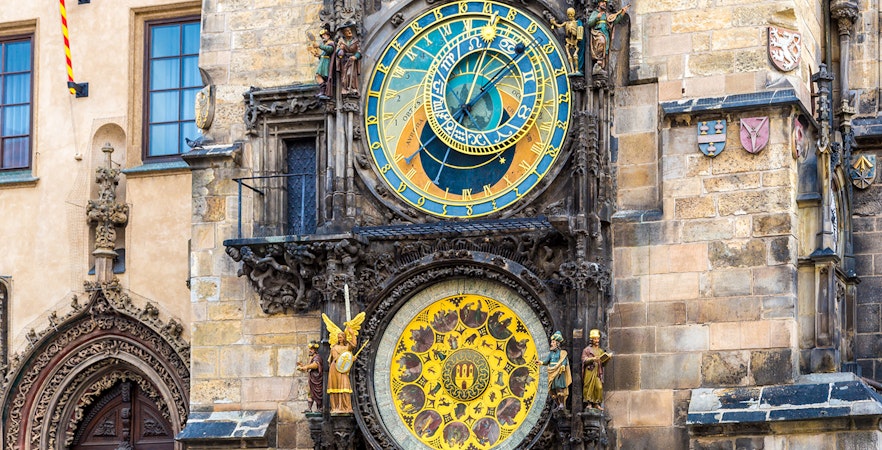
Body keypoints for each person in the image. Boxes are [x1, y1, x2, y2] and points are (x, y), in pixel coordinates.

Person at [322, 312, 366, 414]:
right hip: (335, 368)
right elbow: (337, 358)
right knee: (335, 387)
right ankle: (336, 407)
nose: (339, 338)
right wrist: (350, 359)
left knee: (345, 386)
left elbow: (354, 345)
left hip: (343, 369)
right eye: (338, 337)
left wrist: (351, 333)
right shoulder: (334, 347)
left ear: (344, 338)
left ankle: (346, 407)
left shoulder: (346, 347)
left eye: (341, 337)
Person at [584, 0, 629, 74]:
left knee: (606, 51)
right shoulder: (595, 13)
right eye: (602, 2)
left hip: (606, 34)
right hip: (598, 33)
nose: (604, 4)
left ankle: (601, 69)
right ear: (598, 3)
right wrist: (596, 18)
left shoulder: (607, 14)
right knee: (601, 41)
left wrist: (622, 13)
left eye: (605, 2)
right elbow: (589, 23)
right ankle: (597, 65)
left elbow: (614, 21)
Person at [537, 331, 572, 411]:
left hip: (559, 373)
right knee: (552, 391)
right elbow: (546, 361)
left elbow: (564, 360)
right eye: (551, 342)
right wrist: (541, 362)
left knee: (559, 389)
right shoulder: (551, 354)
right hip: (552, 372)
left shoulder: (562, 353)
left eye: (553, 342)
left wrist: (563, 365)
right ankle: (558, 404)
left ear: (557, 344)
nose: (551, 344)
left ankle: (562, 404)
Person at [582, 328, 611, 410]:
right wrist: (593, 359)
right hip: (590, 371)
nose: (597, 340)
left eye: (597, 338)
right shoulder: (587, 350)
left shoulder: (600, 351)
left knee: (599, 387)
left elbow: (603, 363)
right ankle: (589, 403)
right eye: (595, 339)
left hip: (597, 371)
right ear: (591, 340)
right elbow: (584, 360)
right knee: (588, 386)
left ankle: (596, 403)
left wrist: (607, 359)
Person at [550, 7, 584, 74]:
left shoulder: (577, 23)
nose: (570, 16)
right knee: (569, 56)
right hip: (569, 41)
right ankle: (572, 70)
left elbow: (579, 32)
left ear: (573, 14)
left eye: (571, 15)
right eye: (568, 15)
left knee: (575, 56)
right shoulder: (567, 23)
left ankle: (576, 70)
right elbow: (559, 26)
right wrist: (554, 23)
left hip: (575, 41)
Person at [296, 341, 323, 412]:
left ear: (315, 350)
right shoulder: (312, 358)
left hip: (316, 379)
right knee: (310, 393)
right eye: (310, 349)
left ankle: (320, 408)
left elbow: (315, 365)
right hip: (311, 379)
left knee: (317, 393)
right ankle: (309, 408)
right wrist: (302, 366)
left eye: (311, 349)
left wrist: (306, 367)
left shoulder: (317, 357)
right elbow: (308, 368)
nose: (310, 350)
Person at [335, 24, 361, 96]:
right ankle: (345, 88)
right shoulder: (341, 41)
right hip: (344, 60)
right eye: (347, 31)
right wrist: (341, 49)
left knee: (350, 74)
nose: (349, 32)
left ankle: (352, 88)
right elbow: (337, 53)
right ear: (344, 33)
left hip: (352, 60)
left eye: (350, 30)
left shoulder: (355, 41)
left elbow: (359, 51)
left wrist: (355, 57)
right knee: (344, 76)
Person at [310, 27, 335, 99]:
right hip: (323, 62)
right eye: (322, 36)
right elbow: (324, 54)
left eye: (324, 35)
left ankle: (324, 91)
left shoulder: (331, 43)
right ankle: (323, 91)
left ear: (328, 35)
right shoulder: (326, 44)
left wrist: (319, 46)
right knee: (318, 76)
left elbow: (330, 50)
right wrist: (319, 55)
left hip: (326, 63)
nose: (323, 37)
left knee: (319, 75)